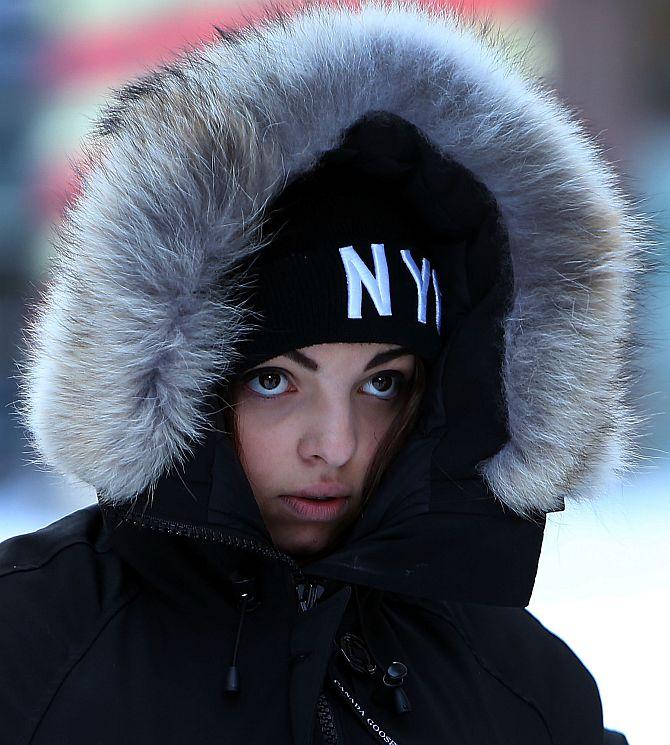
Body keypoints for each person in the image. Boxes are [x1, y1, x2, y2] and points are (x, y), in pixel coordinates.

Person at [0, 1, 644, 743]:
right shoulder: (31, 649)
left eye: (383, 383)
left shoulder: (524, 688)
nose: (334, 445)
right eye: (276, 379)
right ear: (180, 384)